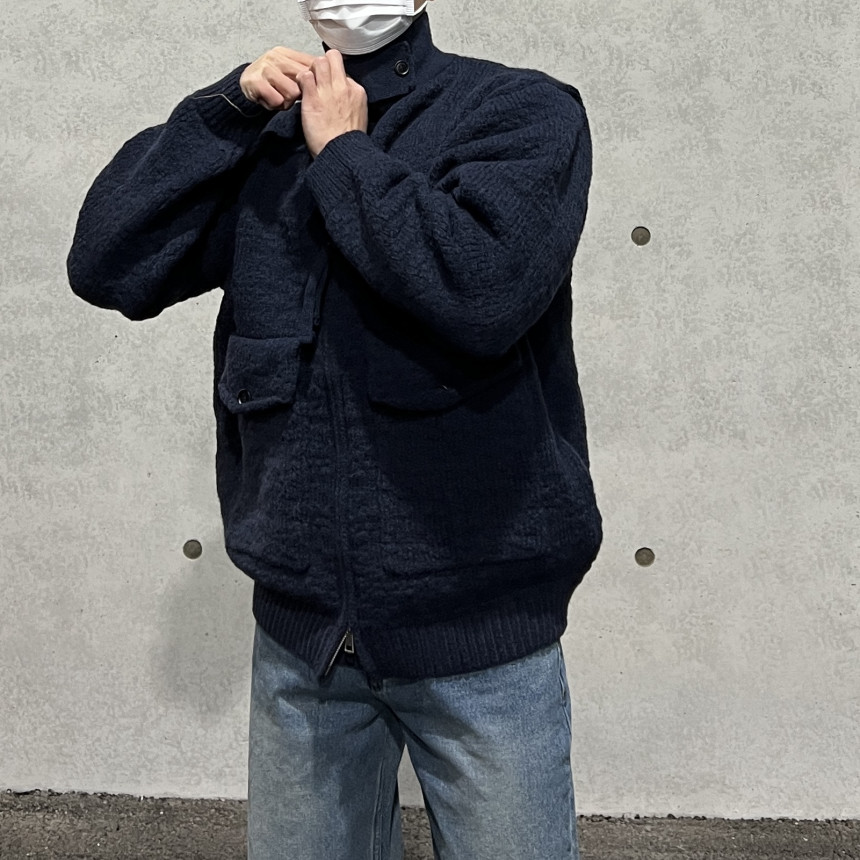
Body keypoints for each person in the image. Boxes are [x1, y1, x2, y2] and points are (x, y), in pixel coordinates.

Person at [67, 0, 603, 856]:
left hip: (484, 636)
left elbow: (484, 292)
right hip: (303, 639)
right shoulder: (264, 136)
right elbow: (107, 263)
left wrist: (345, 154)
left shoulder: (520, 109)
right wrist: (225, 110)